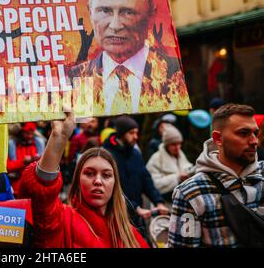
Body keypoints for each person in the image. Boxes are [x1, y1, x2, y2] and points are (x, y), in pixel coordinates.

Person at [18, 110, 149, 248]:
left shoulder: (128, 232)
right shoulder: (62, 219)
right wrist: (59, 137)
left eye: (106, 175)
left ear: (115, 184)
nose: (98, 181)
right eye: (89, 173)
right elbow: (41, 194)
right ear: (77, 181)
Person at [68, 0, 190, 115]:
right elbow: (84, 122)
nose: (115, 25)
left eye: (127, 12)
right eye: (105, 10)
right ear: (90, 13)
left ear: (150, 17)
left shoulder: (172, 71)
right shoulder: (78, 75)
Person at [169, 103, 264, 247]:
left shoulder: (261, 178)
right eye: (243, 133)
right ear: (218, 139)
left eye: (255, 133)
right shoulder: (190, 193)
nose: (254, 141)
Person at [102, 115, 169, 240]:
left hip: (137, 218)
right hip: (116, 216)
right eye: (131, 133)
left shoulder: (135, 154)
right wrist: (135, 208)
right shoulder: (107, 156)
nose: (136, 137)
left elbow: (146, 180)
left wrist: (158, 201)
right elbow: (112, 191)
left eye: (136, 133)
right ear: (121, 133)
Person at [146, 124, 195, 204]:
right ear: (166, 145)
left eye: (179, 143)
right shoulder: (155, 159)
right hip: (164, 205)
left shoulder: (181, 155)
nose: (177, 147)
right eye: (173, 144)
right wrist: (177, 177)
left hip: (182, 203)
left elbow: (187, 167)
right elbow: (153, 185)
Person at [7, 122, 44, 197]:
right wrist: (23, 162)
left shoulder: (37, 144)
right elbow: (8, 167)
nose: (30, 136)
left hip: (33, 189)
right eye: (27, 133)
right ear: (21, 132)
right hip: (17, 189)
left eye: (31, 134)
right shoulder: (12, 145)